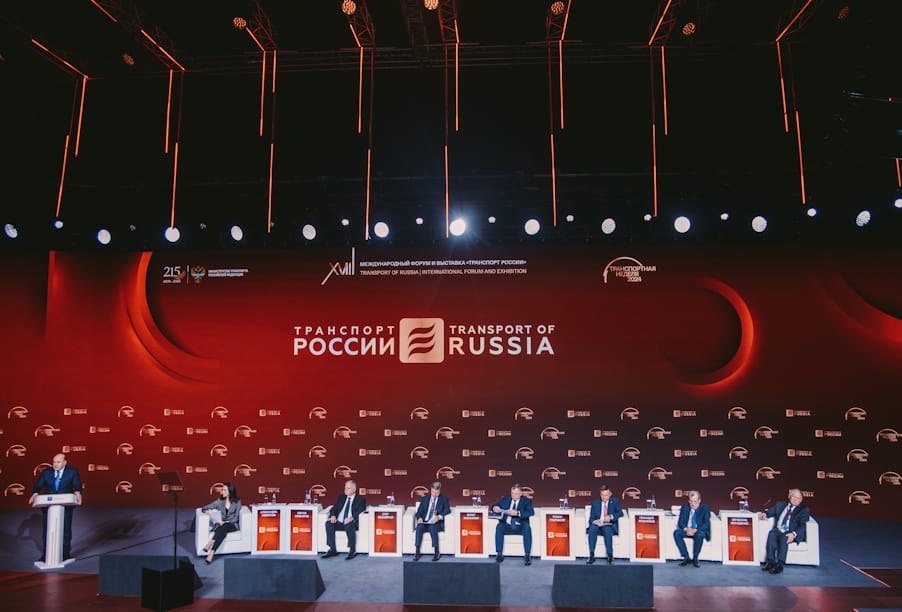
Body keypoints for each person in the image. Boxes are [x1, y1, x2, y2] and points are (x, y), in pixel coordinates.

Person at [29, 453, 83, 562]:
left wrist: (78, 492)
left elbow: (77, 485)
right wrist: (35, 494)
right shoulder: (46, 472)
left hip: (66, 505)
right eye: (54, 462)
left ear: (64, 462)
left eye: (58, 462)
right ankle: (46, 554)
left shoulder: (72, 472)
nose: (55, 464)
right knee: (47, 530)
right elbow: (38, 485)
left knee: (66, 530)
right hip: (48, 506)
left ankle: (65, 554)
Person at [758, 488, 810, 574]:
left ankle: (780, 564)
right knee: (772, 534)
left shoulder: (803, 510)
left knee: (784, 537)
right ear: (789, 496)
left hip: (790, 532)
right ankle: (770, 562)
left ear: (801, 500)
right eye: (794, 497)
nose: (795, 499)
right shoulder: (780, 505)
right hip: (778, 530)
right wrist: (765, 514)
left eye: (798, 498)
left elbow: (803, 525)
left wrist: (794, 534)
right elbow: (770, 512)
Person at [322, 479, 366, 560]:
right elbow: (334, 508)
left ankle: (352, 550)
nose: (345, 490)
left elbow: (361, 511)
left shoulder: (360, 499)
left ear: (354, 489)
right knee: (328, 524)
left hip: (351, 522)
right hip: (339, 522)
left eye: (348, 488)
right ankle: (332, 549)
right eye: (345, 488)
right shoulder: (341, 497)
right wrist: (333, 516)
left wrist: (351, 518)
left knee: (349, 525)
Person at [492, 483, 534, 565]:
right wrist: (495, 508)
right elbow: (495, 505)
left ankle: (527, 555)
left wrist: (518, 513)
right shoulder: (506, 499)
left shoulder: (526, 501)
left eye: (516, 494)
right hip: (507, 525)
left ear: (521, 493)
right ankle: (499, 554)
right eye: (512, 493)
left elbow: (531, 512)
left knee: (527, 527)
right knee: (499, 527)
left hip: (520, 526)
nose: (514, 496)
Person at [200, 482, 242, 564]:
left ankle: (210, 542)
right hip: (221, 525)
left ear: (230, 491)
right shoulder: (220, 501)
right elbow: (204, 507)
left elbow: (236, 518)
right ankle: (212, 552)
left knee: (224, 526)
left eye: (225, 490)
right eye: (222, 490)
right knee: (223, 529)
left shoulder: (237, 502)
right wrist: (206, 511)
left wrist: (225, 522)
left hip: (232, 525)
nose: (222, 492)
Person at [413, 481, 451, 561]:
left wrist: (439, 517)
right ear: (431, 490)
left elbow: (447, 510)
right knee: (419, 527)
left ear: (439, 491)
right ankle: (417, 552)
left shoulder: (444, 499)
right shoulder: (424, 499)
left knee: (432, 527)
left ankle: (436, 552)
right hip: (425, 522)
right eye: (433, 492)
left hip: (436, 523)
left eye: (436, 493)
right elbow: (419, 512)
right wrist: (419, 518)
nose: (434, 494)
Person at [586, 484, 624, 564]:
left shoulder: (615, 502)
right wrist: (595, 521)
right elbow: (591, 518)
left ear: (610, 494)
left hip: (609, 525)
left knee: (607, 529)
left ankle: (610, 555)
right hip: (598, 525)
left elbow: (620, 513)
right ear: (600, 495)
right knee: (592, 528)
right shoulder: (595, 503)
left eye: (606, 495)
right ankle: (591, 555)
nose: (604, 497)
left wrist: (611, 516)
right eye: (602, 495)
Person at [673, 490, 711, 567]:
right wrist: (686, 529)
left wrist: (695, 530)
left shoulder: (705, 508)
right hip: (688, 530)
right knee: (677, 533)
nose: (693, 504)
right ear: (689, 501)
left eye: (695, 501)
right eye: (691, 501)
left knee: (700, 534)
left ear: (699, 501)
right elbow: (681, 522)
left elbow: (706, 524)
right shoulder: (685, 507)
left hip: (698, 530)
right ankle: (686, 557)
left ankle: (695, 558)